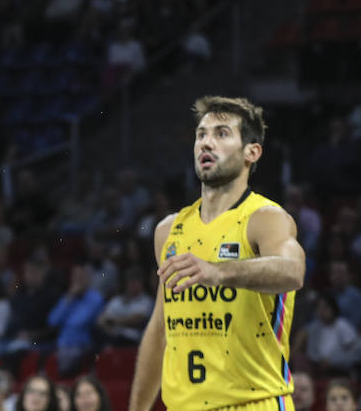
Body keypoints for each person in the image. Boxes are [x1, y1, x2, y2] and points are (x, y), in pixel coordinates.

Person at [127, 96, 305, 411]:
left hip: (253, 403)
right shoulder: (168, 231)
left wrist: (219, 271)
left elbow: (293, 271)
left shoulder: (265, 218)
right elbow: (159, 330)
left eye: (221, 133)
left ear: (252, 151)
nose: (206, 143)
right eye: (201, 134)